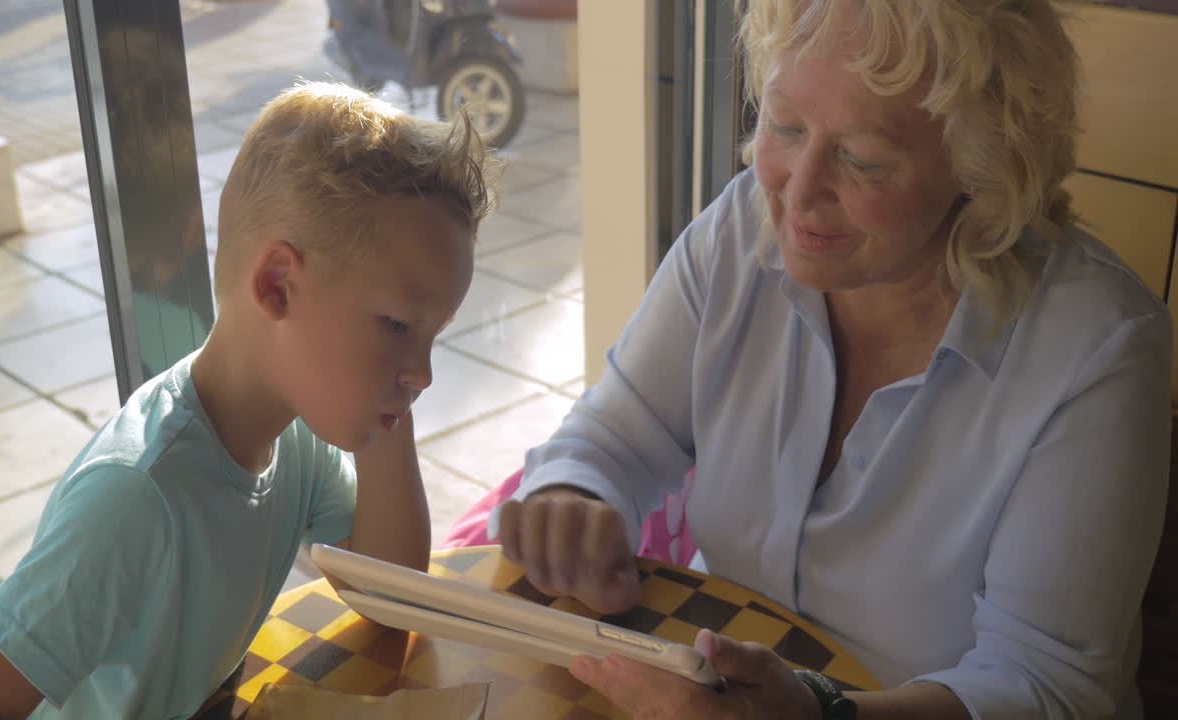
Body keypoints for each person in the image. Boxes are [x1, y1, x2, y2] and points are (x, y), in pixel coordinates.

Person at [492, 1, 1171, 718]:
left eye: (862, 159)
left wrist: (823, 713)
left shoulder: (1097, 348)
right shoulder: (739, 232)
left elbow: (1046, 687)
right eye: (784, 126)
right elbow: (616, 435)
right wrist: (574, 497)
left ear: (982, 167)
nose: (797, 189)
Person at [0, 81, 497, 719]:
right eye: (396, 325)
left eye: (432, 337)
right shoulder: (137, 498)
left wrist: (391, 386)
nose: (424, 373)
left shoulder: (293, 436)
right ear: (278, 285)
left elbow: (395, 601)